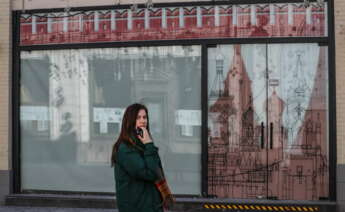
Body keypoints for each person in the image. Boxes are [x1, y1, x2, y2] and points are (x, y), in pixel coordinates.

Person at [111, 103, 174, 212]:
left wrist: (148, 144)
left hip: (151, 204)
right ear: (130, 121)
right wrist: (149, 144)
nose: (143, 121)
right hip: (136, 207)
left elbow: (157, 169)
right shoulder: (125, 148)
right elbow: (150, 173)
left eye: (145, 117)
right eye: (138, 118)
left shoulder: (143, 143)